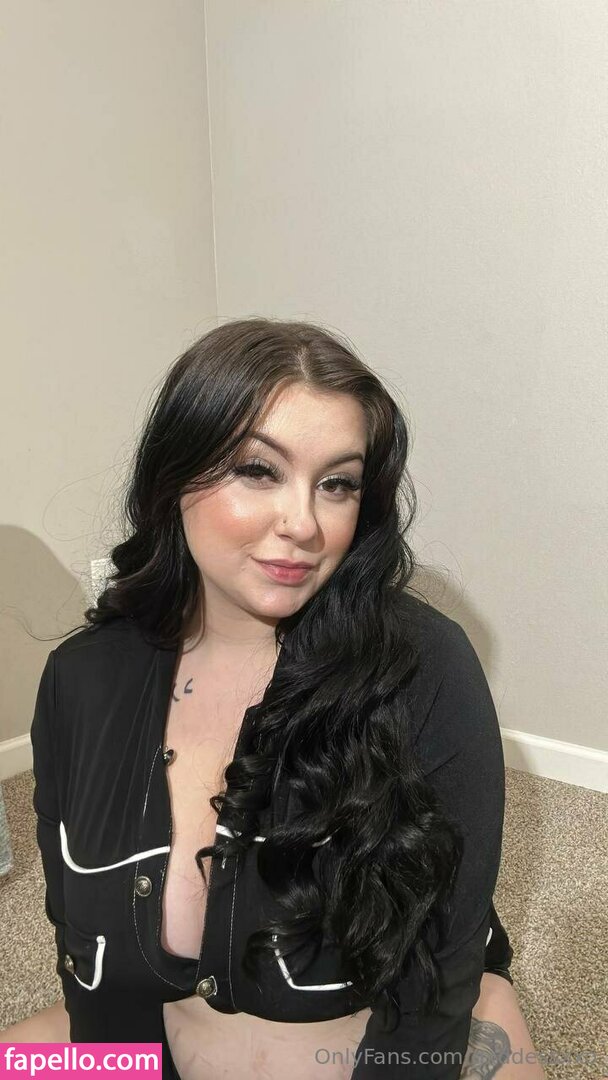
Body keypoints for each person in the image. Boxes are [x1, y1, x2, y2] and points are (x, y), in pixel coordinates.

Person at [18, 319, 544, 1078]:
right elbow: (82, 952)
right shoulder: (81, 679)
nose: (304, 524)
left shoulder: (426, 668)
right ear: (174, 476)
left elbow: (439, 973)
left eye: (338, 483)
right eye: (258, 470)